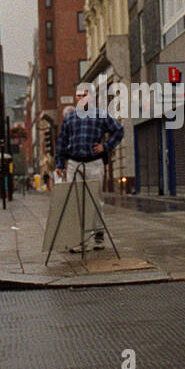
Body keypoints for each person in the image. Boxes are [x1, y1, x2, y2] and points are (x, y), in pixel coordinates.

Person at [55, 83, 124, 251]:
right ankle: (81, 240)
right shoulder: (70, 118)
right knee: (76, 201)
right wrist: (59, 164)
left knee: (95, 200)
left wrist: (105, 146)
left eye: (84, 95)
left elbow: (119, 130)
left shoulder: (101, 116)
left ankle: (99, 236)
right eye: (78, 95)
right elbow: (62, 142)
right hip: (74, 164)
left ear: (91, 98)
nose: (80, 98)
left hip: (94, 163)